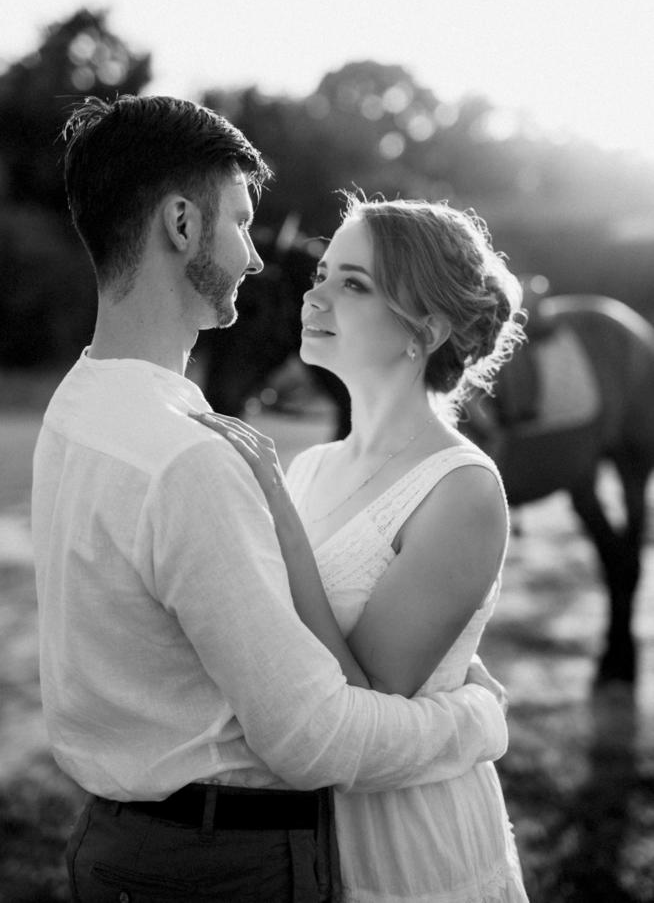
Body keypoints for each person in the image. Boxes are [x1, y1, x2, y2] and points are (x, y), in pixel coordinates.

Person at [32, 95, 510, 903]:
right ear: (181, 225)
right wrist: (478, 721)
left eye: (348, 281)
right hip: (223, 861)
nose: (259, 260)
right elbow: (315, 735)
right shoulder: (197, 458)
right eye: (242, 222)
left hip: (188, 843)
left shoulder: (81, 408)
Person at [194, 194, 529, 901]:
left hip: (411, 848)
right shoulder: (314, 465)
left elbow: (364, 701)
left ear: (425, 329)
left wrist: (276, 514)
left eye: (354, 283)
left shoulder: (461, 490)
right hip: (297, 843)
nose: (315, 296)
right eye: (323, 274)